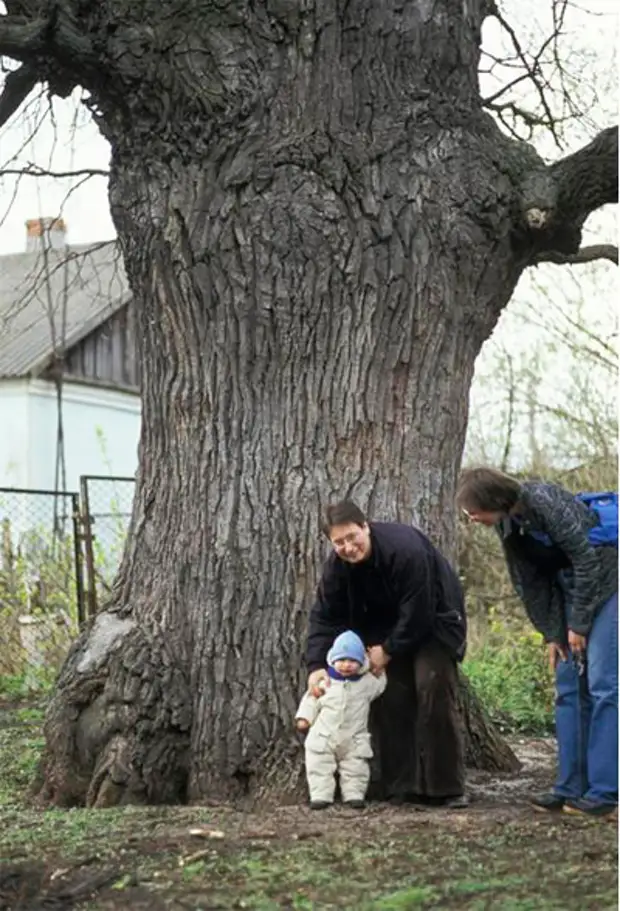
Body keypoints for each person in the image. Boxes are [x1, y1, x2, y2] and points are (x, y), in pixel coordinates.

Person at [456, 466, 618, 818]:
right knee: (568, 687)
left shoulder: (545, 502)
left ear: (494, 500)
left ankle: (606, 793)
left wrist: (579, 623)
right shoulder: (507, 525)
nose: (471, 519)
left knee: (603, 684)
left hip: (608, 586)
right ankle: (570, 787)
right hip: (571, 594)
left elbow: (587, 561)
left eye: (473, 512)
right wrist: (554, 633)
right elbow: (529, 582)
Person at [304, 500, 468, 808]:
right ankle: (401, 785)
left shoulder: (405, 550)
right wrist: (316, 664)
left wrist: (388, 650)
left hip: (435, 623)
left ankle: (447, 786)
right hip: (383, 631)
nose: (348, 547)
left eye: (352, 537)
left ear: (366, 526)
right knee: (391, 694)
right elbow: (324, 617)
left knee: (431, 685)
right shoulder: (337, 569)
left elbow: (419, 610)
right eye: (339, 542)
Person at [295, 629, 386, 810]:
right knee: (319, 764)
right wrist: (304, 718)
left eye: (352, 661)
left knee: (356, 766)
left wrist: (381, 671)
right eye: (342, 660)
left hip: (353, 737)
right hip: (324, 735)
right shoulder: (325, 682)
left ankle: (354, 795)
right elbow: (311, 699)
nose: (346, 665)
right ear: (332, 660)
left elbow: (380, 686)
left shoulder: (366, 683)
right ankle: (321, 795)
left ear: (361, 663)